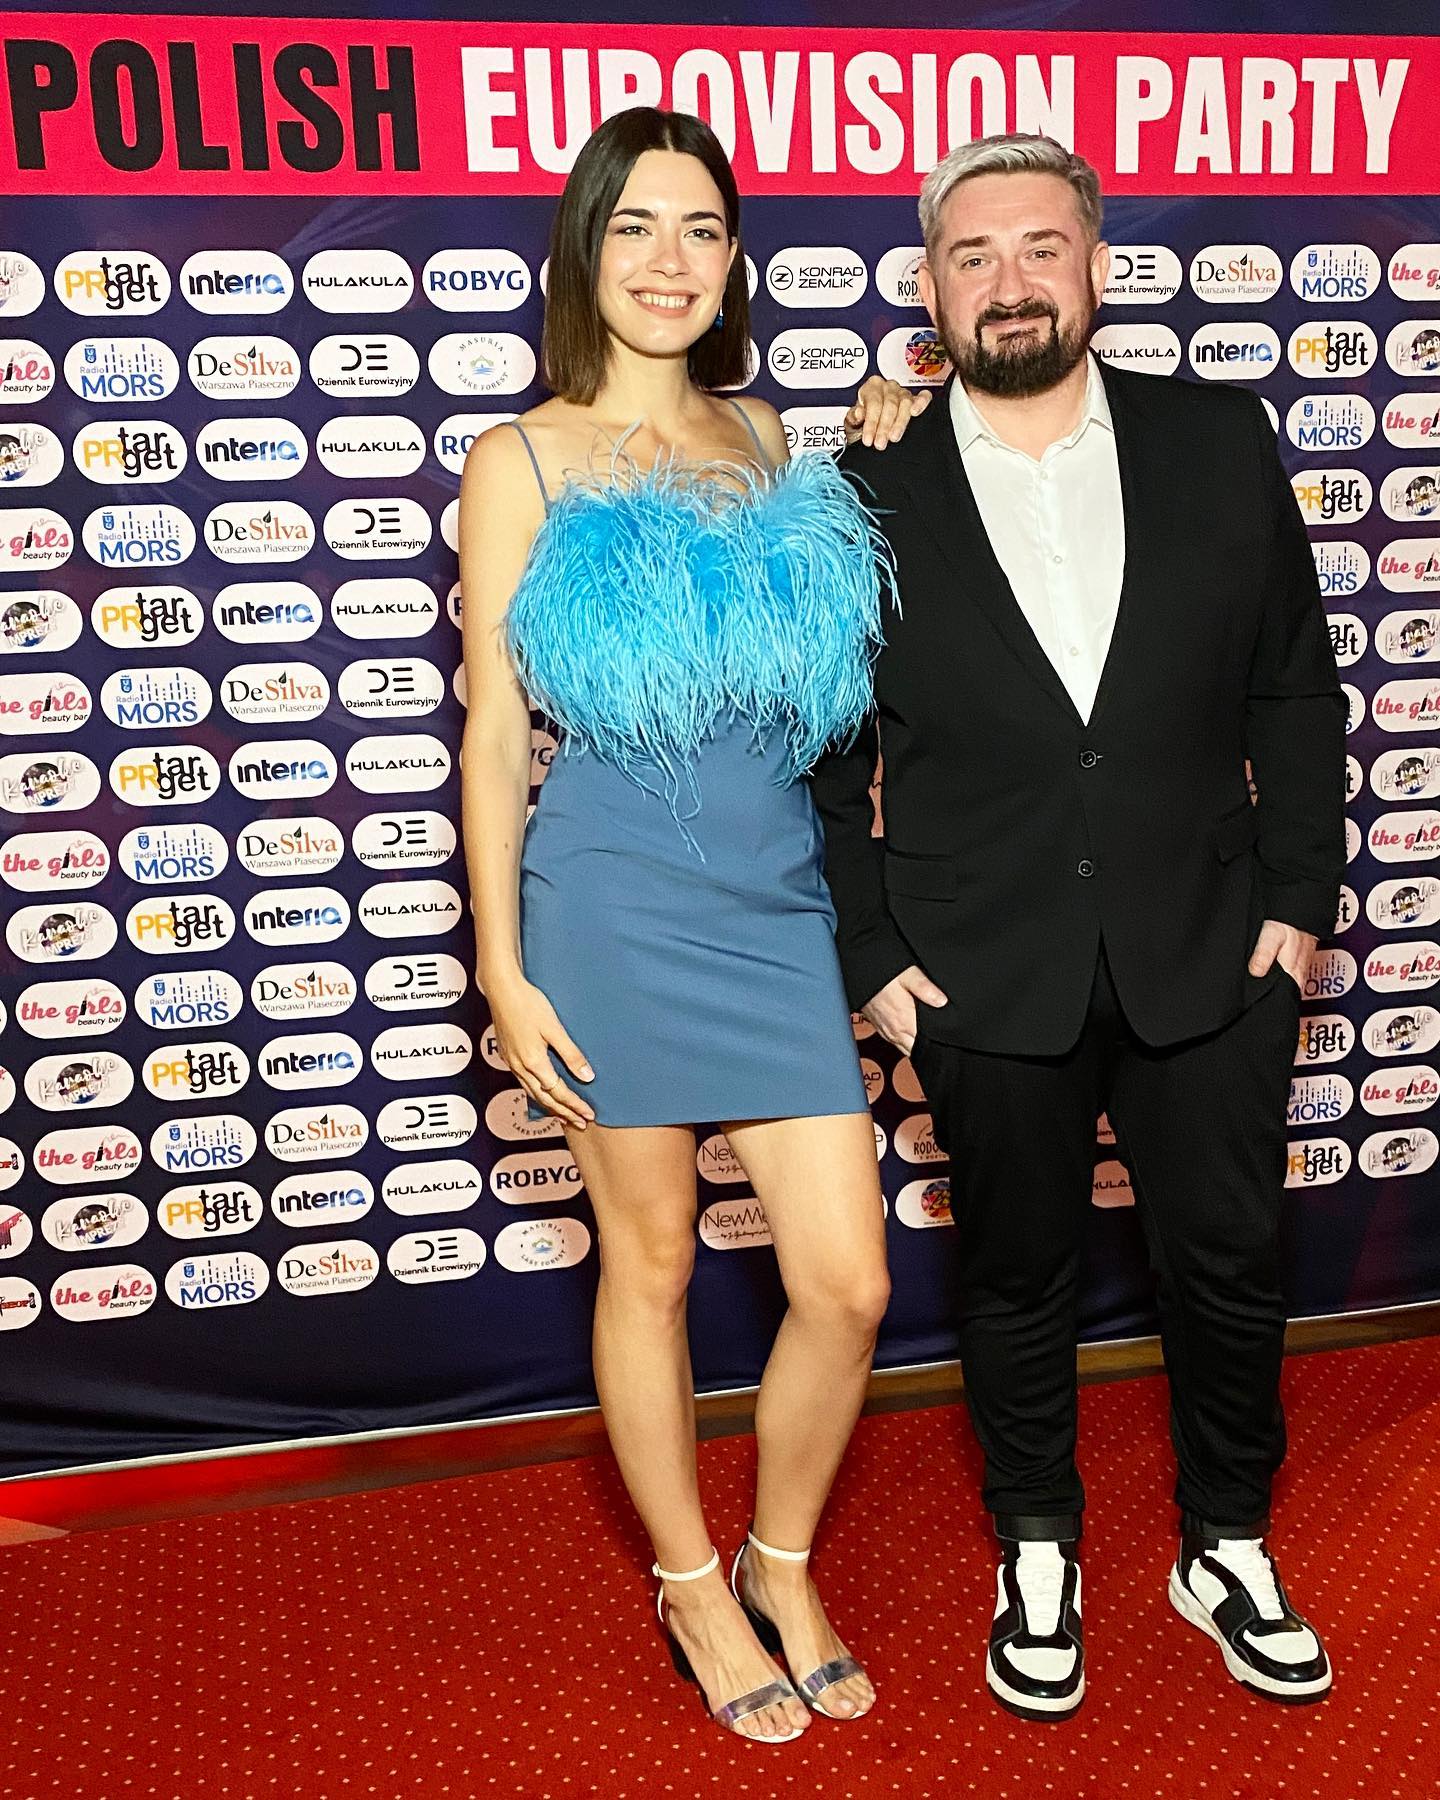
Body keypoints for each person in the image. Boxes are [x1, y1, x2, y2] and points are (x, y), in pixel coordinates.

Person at [813, 132, 1346, 1720]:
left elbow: (1293, 687)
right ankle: (1035, 1541)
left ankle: (1227, 1545)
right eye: (971, 257)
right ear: (929, 290)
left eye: (1040, 247)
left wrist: (1296, 902)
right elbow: (826, 755)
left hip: (1213, 946)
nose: (1010, 283)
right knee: (1014, 1276)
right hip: (979, 964)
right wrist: (873, 957)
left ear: (1098, 265)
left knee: (1231, 1266)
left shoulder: (1216, 438)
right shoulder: (865, 491)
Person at [458, 106, 926, 1745]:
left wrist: (894, 422)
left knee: (848, 1282)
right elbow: (496, 738)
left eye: (703, 229)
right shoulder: (517, 460)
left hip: (775, 898)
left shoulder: (771, 434)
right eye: (636, 226)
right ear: (586, 249)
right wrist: (503, 968)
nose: (670, 261)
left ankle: (778, 1561)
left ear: (734, 260)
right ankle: (688, 1584)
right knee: (648, 1263)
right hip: (609, 907)